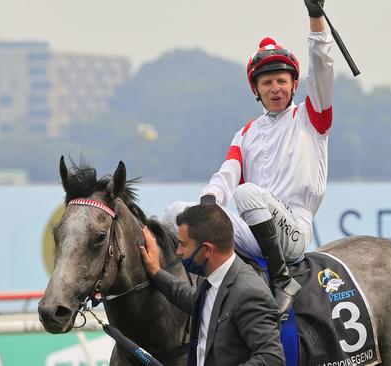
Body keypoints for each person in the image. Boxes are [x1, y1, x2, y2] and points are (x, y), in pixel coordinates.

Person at [198, 0, 334, 316]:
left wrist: (316, 18)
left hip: (294, 231)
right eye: (267, 83)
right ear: (256, 90)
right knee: (178, 213)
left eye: (282, 81)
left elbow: (322, 65)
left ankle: (283, 281)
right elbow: (226, 175)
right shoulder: (245, 133)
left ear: (294, 85)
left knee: (246, 193)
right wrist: (209, 200)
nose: (276, 89)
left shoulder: (312, 116)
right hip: (254, 230)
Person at [139, 204, 284, 366]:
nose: (178, 252)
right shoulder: (209, 279)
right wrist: (156, 272)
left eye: (183, 245)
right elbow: (194, 300)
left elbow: (272, 358)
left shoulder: (249, 293)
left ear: (207, 250)